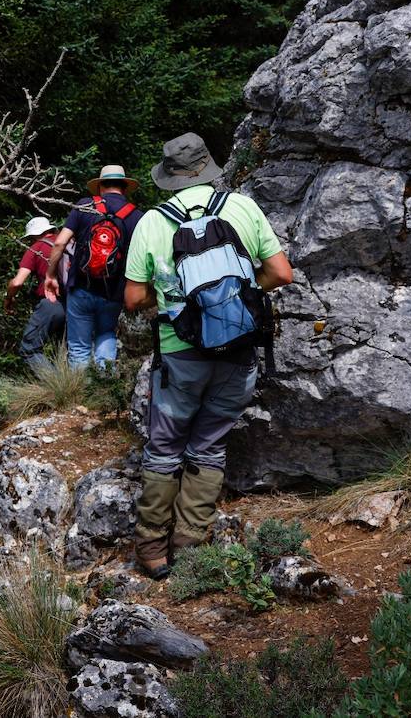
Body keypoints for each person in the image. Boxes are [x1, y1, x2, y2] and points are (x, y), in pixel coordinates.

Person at [123, 132, 294, 579]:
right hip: (239, 348)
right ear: (207, 167)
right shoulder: (241, 207)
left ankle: (152, 550)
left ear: (171, 177)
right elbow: (281, 273)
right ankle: (192, 544)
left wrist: (173, 305)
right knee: (209, 445)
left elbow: (133, 297)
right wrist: (233, 302)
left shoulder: (151, 222)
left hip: (181, 353)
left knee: (164, 447)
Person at [43, 165, 141, 369]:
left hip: (81, 287)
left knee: (79, 346)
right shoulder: (136, 216)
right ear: (124, 187)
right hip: (113, 292)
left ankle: (80, 396)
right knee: (106, 334)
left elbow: (60, 243)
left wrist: (50, 275)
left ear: (100, 187)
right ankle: (104, 391)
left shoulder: (85, 205)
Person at [5, 216, 65, 371]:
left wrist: (9, 298)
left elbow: (17, 282)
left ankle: (57, 389)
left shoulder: (36, 248)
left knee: (29, 349)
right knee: (67, 350)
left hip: (51, 304)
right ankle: (78, 390)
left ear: (33, 235)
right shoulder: (68, 242)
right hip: (76, 303)